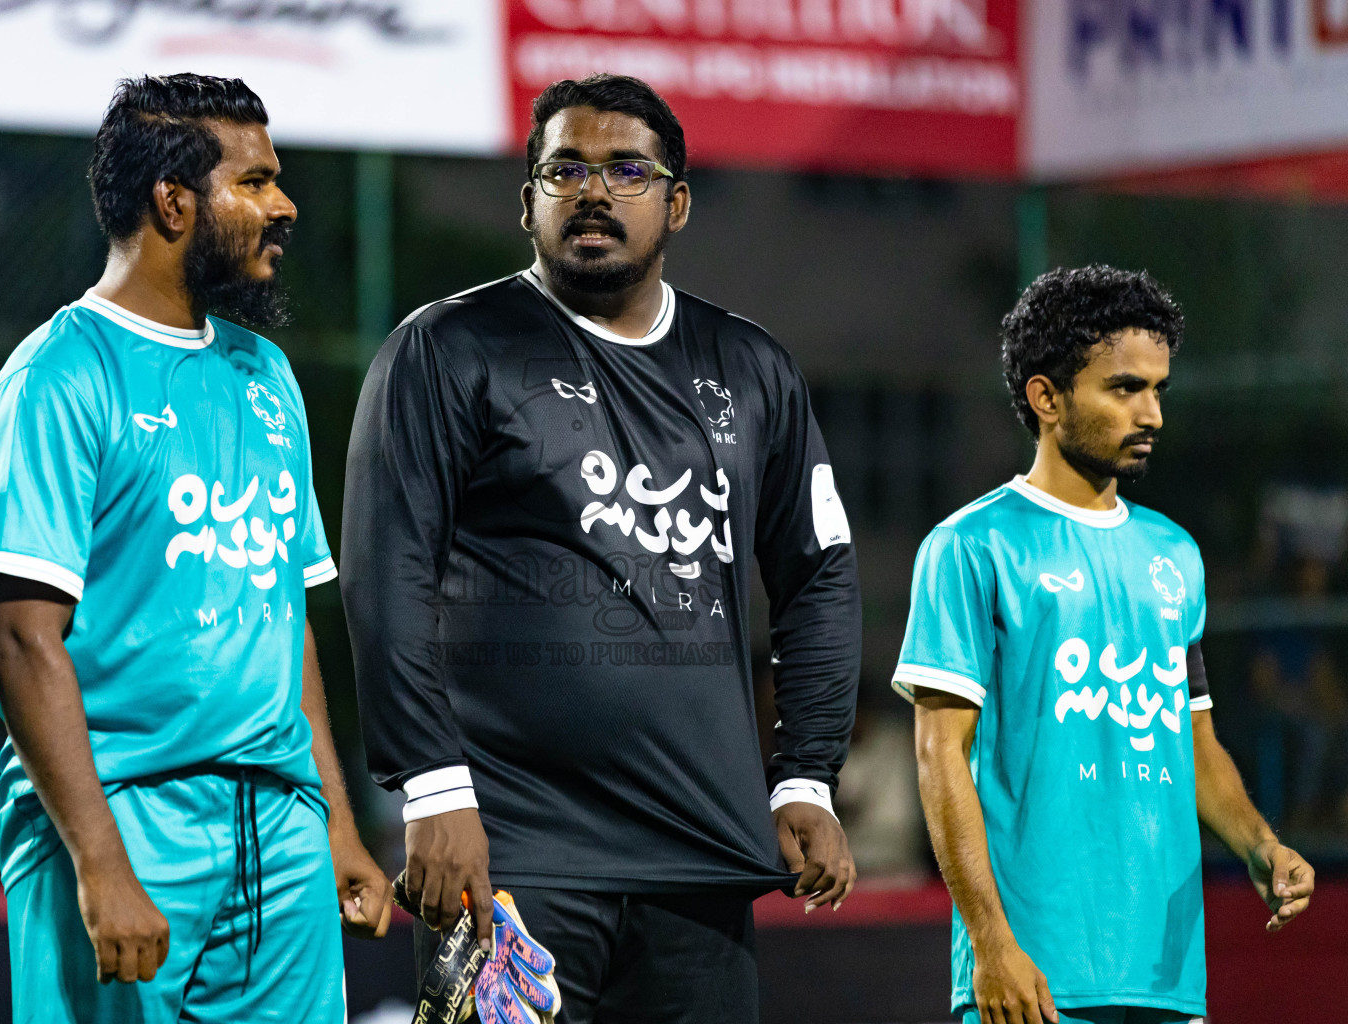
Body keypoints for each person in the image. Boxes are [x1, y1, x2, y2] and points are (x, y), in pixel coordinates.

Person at [342, 73, 861, 1023]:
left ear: (677, 203)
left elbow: (819, 574)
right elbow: (387, 576)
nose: (592, 191)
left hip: (700, 859)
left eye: (627, 169)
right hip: (510, 855)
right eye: (564, 169)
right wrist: (430, 787)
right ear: (528, 199)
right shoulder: (449, 348)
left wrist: (806, 776)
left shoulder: (751, 367)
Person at [0, 74, 390, 1023]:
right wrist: (101, 862)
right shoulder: (57, 375)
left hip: (278, 834)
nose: (284, 205)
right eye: (255, 183)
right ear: (173, 203)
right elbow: (22, 642)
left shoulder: (268, 376)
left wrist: (333, 822)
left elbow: (285, 624)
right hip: (124, 818)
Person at [894, 266, 1316, 1024]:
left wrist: (1262, 847)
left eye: (1158, 389)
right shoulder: (970, 547)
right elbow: (939, 756)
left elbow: (1193, 740)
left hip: (1165, 971)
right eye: (1125, 389)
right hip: (1033, 978)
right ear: (1046, 398)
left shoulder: (1176, 555)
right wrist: (991, 945)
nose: (1151, 412)